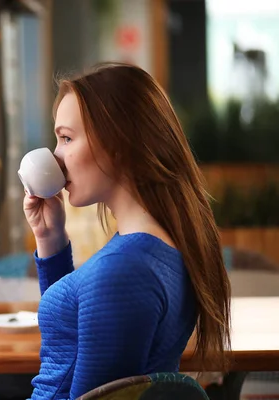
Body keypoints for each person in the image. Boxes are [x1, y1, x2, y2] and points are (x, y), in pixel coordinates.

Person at [23, 62, 231, 399]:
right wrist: (50, 239)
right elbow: (68, 342)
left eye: (66, 138)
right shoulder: (150, 250)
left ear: (117, 143)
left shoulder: (123, 271)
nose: (56, 157)